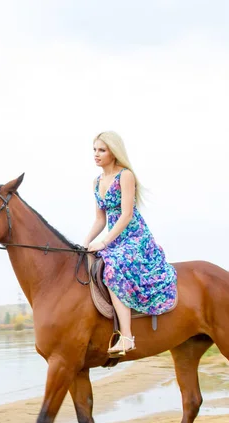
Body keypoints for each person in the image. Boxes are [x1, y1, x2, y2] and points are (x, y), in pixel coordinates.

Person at [84, 131, 177, 356]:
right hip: (114, 237)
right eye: (94, 149)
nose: (96, 154)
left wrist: (104, 242)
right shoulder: (96, 182)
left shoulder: (125, 176)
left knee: (113, 267)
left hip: (134, 237)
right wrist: (85, 242)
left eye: (102, 150)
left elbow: (125, 215)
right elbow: (100, 218)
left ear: (113, 152)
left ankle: (126, 337)